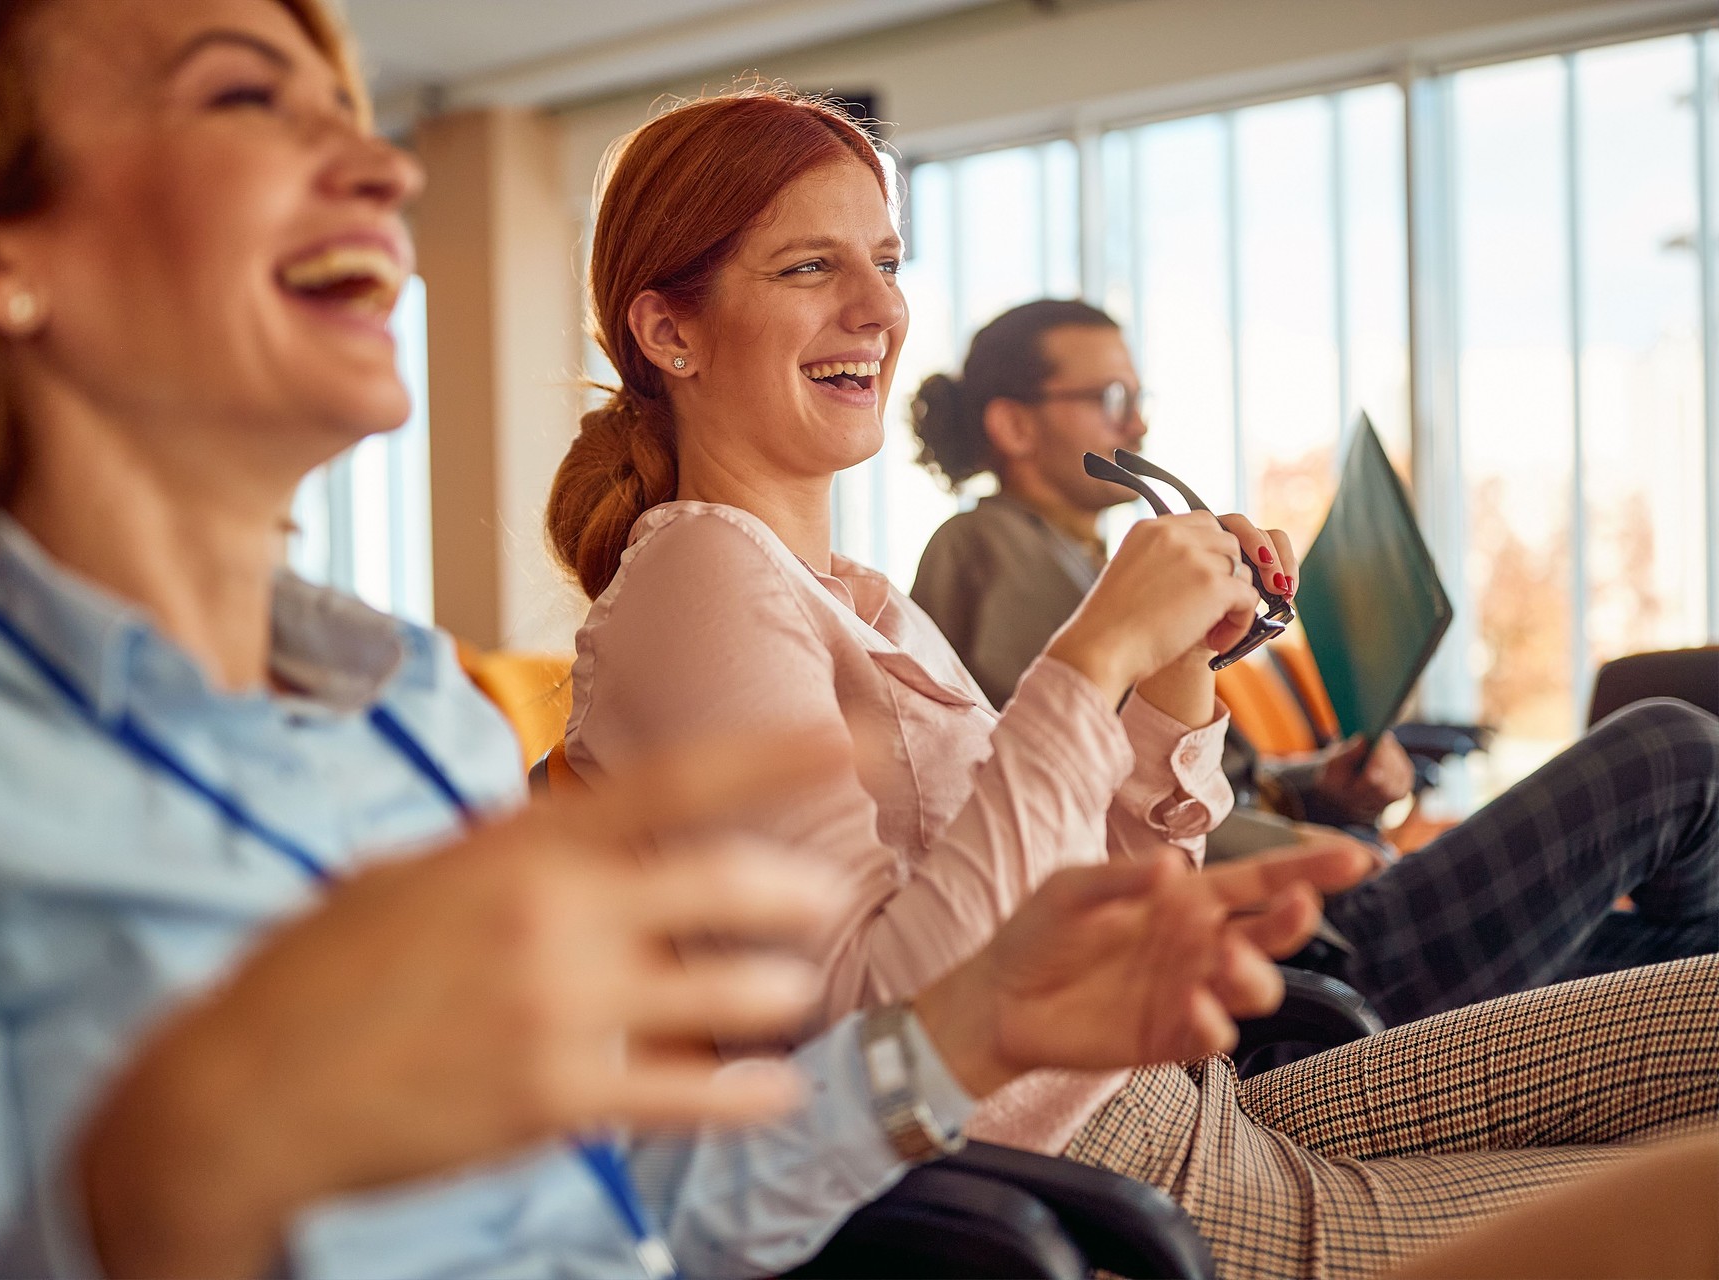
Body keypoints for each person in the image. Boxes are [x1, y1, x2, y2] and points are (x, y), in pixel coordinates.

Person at [0, 2, 1378, 1277]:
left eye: (348, 117)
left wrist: (950, 1040)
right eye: (239, 99)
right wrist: (170, 1196)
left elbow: (630, 1222)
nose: (387, 172)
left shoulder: (413, 713)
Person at [550, 87, 1719, 1279]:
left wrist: (1170, 681)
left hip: (1192, 1106)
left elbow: (1105, 917)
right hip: (1122, 1189)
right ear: (669, 330)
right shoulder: (698, 576)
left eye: (887, 259)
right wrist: (1092, 650)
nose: (879, 306)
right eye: (809, 265)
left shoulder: (856, 593)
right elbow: (873, 1024)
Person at [906, 298, 1719, 1023]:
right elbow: (1079, 774)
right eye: (1111, 399)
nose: (1139, 426)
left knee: (1693, 953)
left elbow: (1165, 773)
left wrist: (1316, 789)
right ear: (1014, 426)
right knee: (1674, 751)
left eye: (1139, 399)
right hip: (1308, 948)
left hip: (1323, 908)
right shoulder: (990, 547)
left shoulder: (1086, 565)